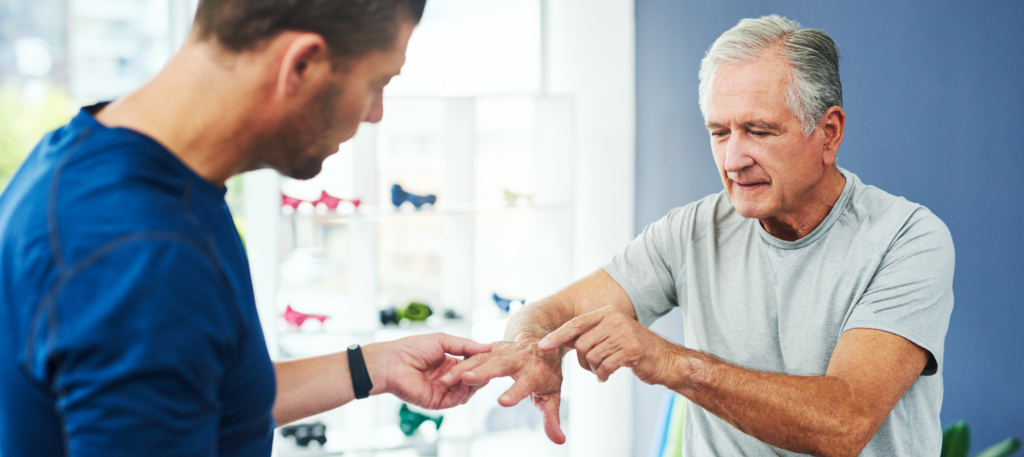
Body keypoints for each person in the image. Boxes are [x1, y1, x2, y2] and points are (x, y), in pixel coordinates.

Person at [442, 15, 955, 457]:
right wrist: (534, 348)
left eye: (759, 130)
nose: (733, 159)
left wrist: (671, 362)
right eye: (719, 132)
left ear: (829, 133)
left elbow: (844, 425)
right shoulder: (691, 231)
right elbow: (548, 312)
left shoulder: (907, 240)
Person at [0, 1, 492, 456]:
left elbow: (200, 389)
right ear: (301, 65)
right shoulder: (144, 254)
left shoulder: (91, 158)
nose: (375, 114)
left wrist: (374, 367)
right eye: (376, 83)